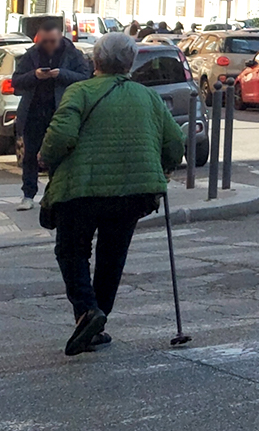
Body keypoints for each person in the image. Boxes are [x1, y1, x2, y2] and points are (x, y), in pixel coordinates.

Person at [40, 33, 184, 356]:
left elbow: (61, 135)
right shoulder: (148, 97)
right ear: (130, 63)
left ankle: (87, 312)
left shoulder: (80, 91)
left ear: (96, 60)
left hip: (81, 188)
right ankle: (96, 322)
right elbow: (175, 142)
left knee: (71, 251)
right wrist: (165, 168)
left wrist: (45, 156)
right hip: (134, 191)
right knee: (112, 256)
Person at [10, 20, 90, 212]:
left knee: (58, 154)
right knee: (30, 155)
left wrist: (61, 74)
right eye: (44, 41)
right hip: (34, 112)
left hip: (60, 112)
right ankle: (28, 195)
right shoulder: (32, 54)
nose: (48, 45)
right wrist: (35, 75)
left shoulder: (73, 54)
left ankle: (55, 193)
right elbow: (16, 80)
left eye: (52, 41)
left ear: (60, 37)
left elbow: (85, 77)